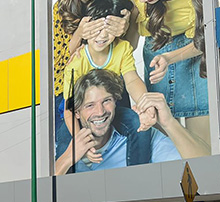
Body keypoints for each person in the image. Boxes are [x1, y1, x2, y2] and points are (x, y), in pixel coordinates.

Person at [55, 69, 209, 174]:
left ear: (115, 101)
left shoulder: (140, 134)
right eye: (90, 105)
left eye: (106, 101)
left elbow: (205, 169)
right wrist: (68, 157)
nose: (100, 112)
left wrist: (168, 122)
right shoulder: (59, 145)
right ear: (76, 113)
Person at [62, 0, 156, 143]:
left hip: (111, 103)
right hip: (79, 109)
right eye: (97, 30)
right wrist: (79, 139)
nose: (103, 36)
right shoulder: (77, 61)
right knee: (65, 141)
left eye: (109, 29)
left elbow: (132, 80)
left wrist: (146, 105)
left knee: (137, 125)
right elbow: (69, 108)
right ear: (86, 29)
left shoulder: (122, 48)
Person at [53, 0, 134, 158]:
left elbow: (127, 45)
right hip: (70, 86)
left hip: (109, 82)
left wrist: (127, 22)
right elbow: (59, 63)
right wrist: (80, 34)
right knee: (67, 143)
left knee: (126, 132)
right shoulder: (60, 9)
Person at [129, 0, 210, 149]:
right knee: (165, 148)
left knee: (201, 145)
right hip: (157, 64)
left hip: (193, 62)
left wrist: (169, 58)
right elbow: (128, 45)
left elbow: (206, 38)